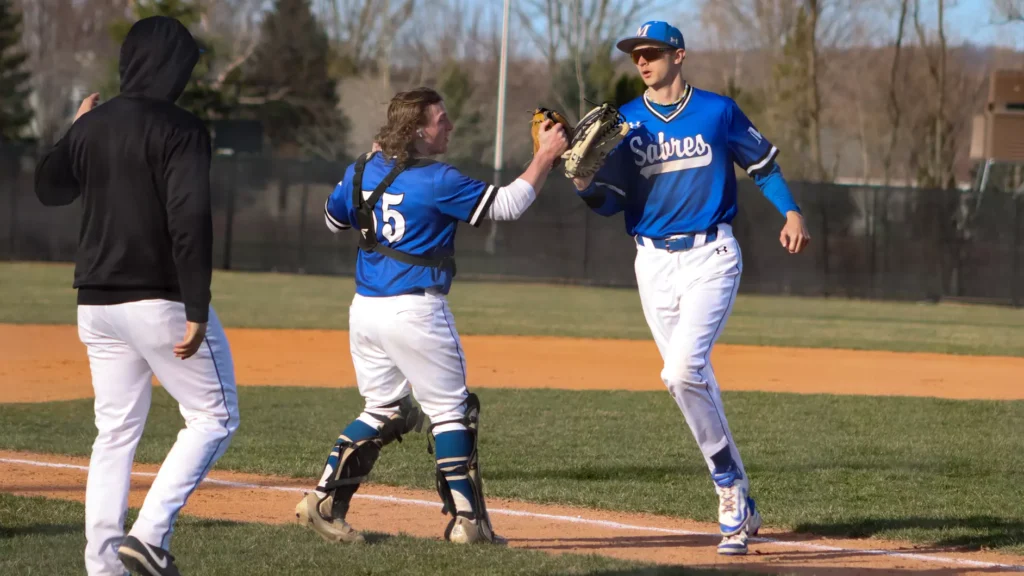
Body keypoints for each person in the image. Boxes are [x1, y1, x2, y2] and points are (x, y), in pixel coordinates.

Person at [570, 21, 810, 556]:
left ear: (679, 55)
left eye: (652, 52)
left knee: (681, 370)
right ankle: (741, 501)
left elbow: (763, 166)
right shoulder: (626, 123)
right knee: (692, 381)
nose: (642, 61)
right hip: (652, 264)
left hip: (711, 255)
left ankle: (726, 485)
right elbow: (611, 202)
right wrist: (585, 183)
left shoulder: (717, 111)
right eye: (636, 54)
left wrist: (790, 210)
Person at [295, 87, 568, 545]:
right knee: (452, 412)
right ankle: (468, 523)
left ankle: (322, 501)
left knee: (383, 409)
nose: (450, 125)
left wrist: (365, 172)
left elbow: (332, 220)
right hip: (416, 310)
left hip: (366, 310)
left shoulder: (362, 167)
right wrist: (544, 156)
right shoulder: (438, 179)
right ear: (419, 130)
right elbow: (506, 205)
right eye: (441, 119)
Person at [34, 16, 238, 576]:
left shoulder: (94, 125)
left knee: (116, 432)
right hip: (159, 299)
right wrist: (196, 305)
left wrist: (74, 129)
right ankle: (148, 537)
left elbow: (48, 186)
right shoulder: (182, 127)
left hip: (96, 302)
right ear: (171, 65)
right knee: (214, 417)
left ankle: (104, 565)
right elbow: (189, 219)